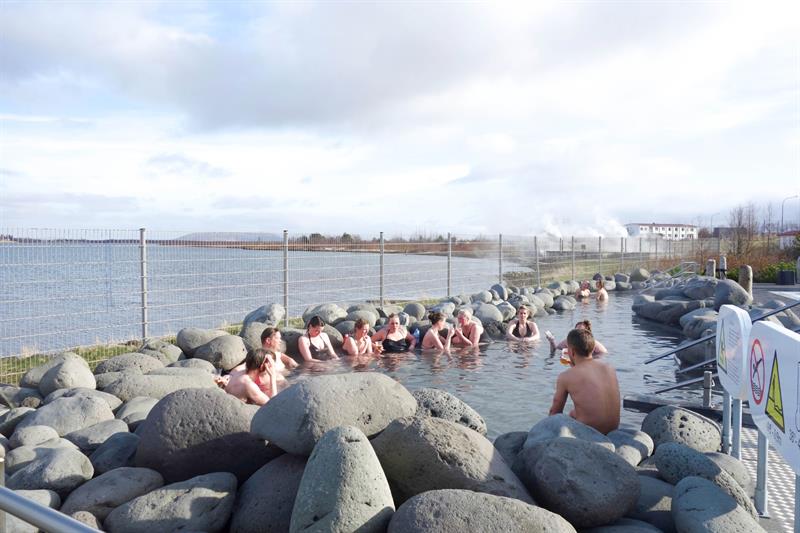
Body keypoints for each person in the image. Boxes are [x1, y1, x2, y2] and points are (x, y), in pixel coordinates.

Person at [548, 328, 620, 434]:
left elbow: (555, 411)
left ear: (571, 351)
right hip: (613, 429)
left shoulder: (565, 376)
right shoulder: (609, 367)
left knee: (564, 419)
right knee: (573, 413)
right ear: (593, 349)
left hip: (588, 432)